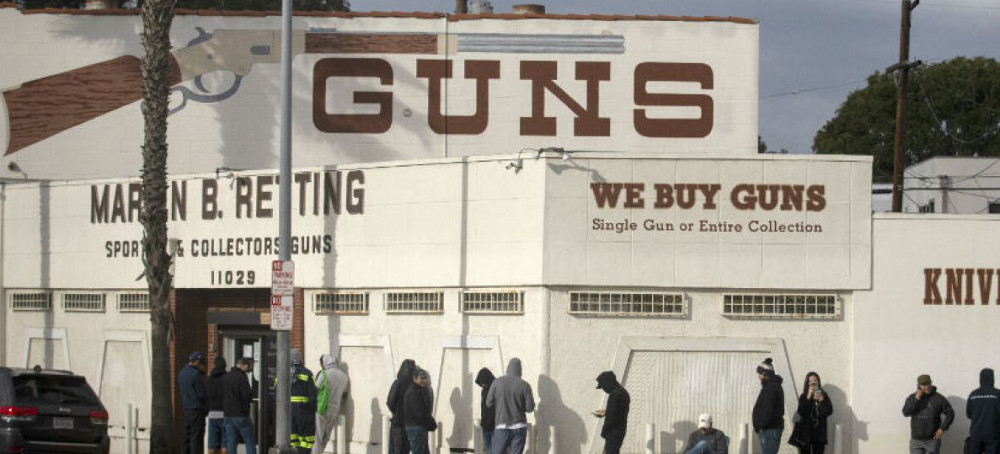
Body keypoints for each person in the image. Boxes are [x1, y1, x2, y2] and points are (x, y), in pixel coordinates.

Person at [486, 358, 535, 454]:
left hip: (501, 426)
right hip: (519, 426)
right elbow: (529, 408)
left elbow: (488, 403)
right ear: (520, 370)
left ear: (508, 368)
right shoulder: (525, 385)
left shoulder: (497, 382)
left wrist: (500, 405)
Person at [902, 374, 954, 454]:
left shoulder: (938, 398)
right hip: (916, 441)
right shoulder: (912, 397)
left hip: (932, 440)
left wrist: (942, 429)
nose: (927, 386)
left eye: (928, 383)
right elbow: (905, 413)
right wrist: (916, 399)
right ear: (919, 386)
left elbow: (950, 413)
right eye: (924, 384)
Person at [312, 353, 350, 454]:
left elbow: (316, 390)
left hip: (321, 408)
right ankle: (320, 451)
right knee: (326, 435)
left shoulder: (324, 374)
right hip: (335, 409)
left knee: (318, 436)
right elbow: (344, 395)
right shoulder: (344, 376)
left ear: (326, 363)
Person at [789, 372, 833, 454]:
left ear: (818, 383)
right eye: (811, 382)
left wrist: (821, 400)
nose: (813, 384)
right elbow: (801, 412)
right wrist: (808, 396)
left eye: (815, 381)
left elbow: (829, 411)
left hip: (819, 435)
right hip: (806, 435)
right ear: (807, 383)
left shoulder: (823, 395)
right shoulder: (804, 396)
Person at [224, 357, 257, 454]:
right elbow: (247, 395)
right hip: (240, 414)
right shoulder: (242, 377)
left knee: (231, 442)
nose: (248, 368)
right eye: (248, 366)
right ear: (244, 366)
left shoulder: (226, 376)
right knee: (249, 440)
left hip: (228, 414)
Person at [753, 357, 785, 454]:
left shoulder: (771, 388)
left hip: (770, 430)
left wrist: (760, 426)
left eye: (760, 373)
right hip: (769, 429)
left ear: (764, 374)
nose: (759, 376)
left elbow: (767, 409)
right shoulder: (771, 386)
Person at [593, 371, 630, 454]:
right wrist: (606, 412)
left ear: (608, 383)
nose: (604, 390)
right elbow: (619, 411)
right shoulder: (624, 393)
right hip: (621, 429)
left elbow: (611, 418)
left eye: (603, 386)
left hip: (613, 431)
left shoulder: (614, 394)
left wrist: (604, 432)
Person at [178, 351, 208, 454]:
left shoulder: (182, 373)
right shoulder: (195, 374)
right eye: (202, 362)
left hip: (186, 408)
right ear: (197, 361)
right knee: (196, 436)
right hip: (197, 408)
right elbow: (201, 393)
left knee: (186, 435)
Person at [289, 349, 317, 454]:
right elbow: (313, 395)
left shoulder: (283, 373)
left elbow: (276, 393)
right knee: (307, 440)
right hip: (304, 412)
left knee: (292, 439)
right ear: (300, 359)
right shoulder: (307, 373)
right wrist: (313, 410)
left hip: (288, 413)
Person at [404, 368, 437, 454]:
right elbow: (420, 411)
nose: (424, 381)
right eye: (421, 378)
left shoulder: (419, 390)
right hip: (416, 427)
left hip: (419, 427)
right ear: (414, 378)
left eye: (425, 378)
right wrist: (430, 421)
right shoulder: (414, 392)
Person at [387, 359, 417, 454]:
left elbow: (390, 401)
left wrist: (395, 411)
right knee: (405, 449)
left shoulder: (398, 383)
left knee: (396, 449)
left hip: (398, 423)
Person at [968, 368, 1000, 454]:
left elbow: (968, 413)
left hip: (976, 433)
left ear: (980, 379)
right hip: (993, 434)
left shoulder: (973, 394)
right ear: (992, 378)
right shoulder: (997, 394)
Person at [206, 356, 228, 454]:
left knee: (212, 442)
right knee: (225, 441)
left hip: (212, 412)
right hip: (224, 412)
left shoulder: (210, 379)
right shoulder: (227, 377)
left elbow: (207, 394)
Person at [475, 368, 496, 454]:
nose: (482, 385)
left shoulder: (495, 389)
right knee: (488, 449)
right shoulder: (484, 391)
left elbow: (494, 409)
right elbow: (484, 408)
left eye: (483, 382)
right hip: (486, 425)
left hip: (494, 425)